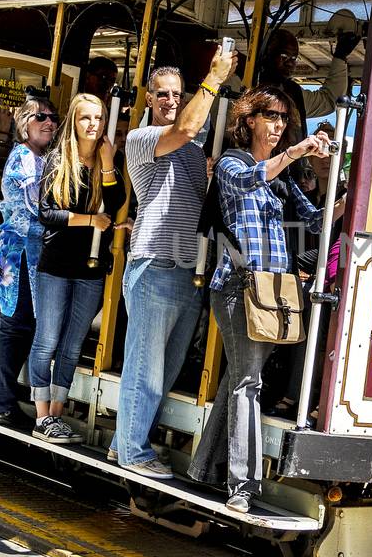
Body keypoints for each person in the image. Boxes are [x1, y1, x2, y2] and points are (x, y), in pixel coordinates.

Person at [190, 87, 331, 514]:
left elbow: (317, 219)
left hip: (273, 292)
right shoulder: (234, 162)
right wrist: (295, 153)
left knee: (239, 379)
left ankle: (203, 469)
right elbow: (253, 179)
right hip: (237, 287)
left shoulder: (283, 177)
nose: (279, 125)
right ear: (249, 119)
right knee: (249, 384)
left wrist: (344, 182)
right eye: (271, 115)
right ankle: (243, 487)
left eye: (284, 119)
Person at [109, 44, 237, 478]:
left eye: (176, 94)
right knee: (145, 368)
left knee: (162, 370)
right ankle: (133, 452)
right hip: (153, 265)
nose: (171, 100)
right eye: (162, 94)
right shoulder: (144, 139)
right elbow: (186, 129)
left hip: (185, 268)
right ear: (149, 99)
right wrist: (214, 79)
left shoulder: (190, 147)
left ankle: (121, 443)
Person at [28, 93, 126, 443]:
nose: (93, 125)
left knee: (72, 345)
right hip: (55, 265)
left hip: (91, 268)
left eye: (98, 118)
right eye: (86, 118)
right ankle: (42, 416)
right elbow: (46, 214)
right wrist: (90, 220)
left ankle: (57, 413)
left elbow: (115, 205)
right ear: (74, 121)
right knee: (47, 341)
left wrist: (109, 163)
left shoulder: (105, 162)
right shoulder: (58, 160)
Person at [0, 96, 57, 428]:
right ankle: (1, 406)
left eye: (54, 118)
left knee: (22, 327)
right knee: (15, 327)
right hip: (18, 251)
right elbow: (30, 212)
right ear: (25, 123)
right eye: (41, 116)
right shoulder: (22, 159)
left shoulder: (42, 159)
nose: (49, 122)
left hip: (30, 251)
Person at [250, 23, 357, 143]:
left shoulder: (294, 93)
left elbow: (328, 100)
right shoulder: (247, 86)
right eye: (284, 56)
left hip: (291, 161)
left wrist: (340, 56)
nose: (290, 63)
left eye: (294, 58)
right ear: (266, 55)